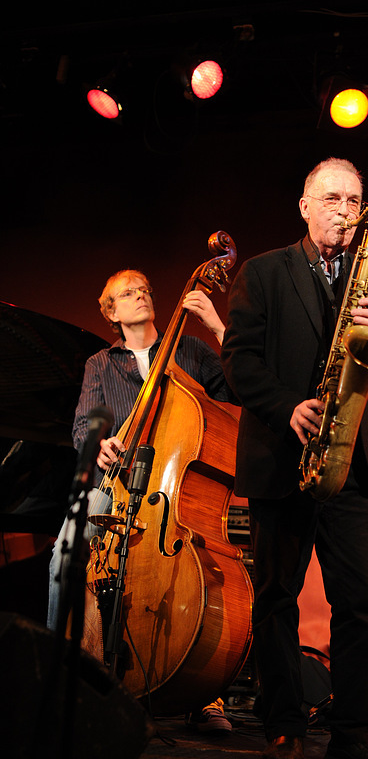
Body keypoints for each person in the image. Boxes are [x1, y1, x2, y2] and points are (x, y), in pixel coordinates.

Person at [221, 157, 368, 759]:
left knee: (359, 603)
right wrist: (288, 407)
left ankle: (354, 730)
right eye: (331, 198)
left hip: (355, 464)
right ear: (305, 206)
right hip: (285, 458)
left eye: (353, 201)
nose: (343, 210)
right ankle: (282, 726)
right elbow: (238, 361)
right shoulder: (262, 273)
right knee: (276, 598)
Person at [48, 268, 233, 734]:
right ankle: (55, 673)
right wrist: (100, 442)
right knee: (64, 553)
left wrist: (216, 325)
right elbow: (82, 427)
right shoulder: (100, 364)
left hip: (175, 494)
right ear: (110, 311)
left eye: (144, 289)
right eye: (126, 293)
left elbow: (240, 386)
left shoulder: (190, 350)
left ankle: (206, 694)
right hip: (114, 488)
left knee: (199, 580)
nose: (139, 295)